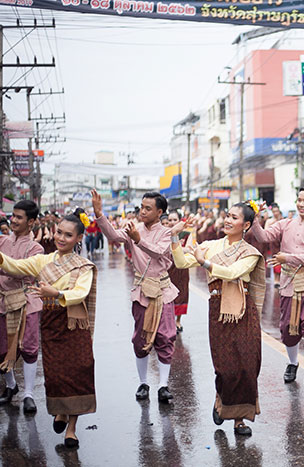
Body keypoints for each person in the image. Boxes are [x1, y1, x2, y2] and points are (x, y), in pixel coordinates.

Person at [0, 208, 97, 448]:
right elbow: (15, 267)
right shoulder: (44, 261)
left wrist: (56, 293)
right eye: (59, 233)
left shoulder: (83, 266)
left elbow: (80, 293)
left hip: (75, 324)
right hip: (51, 324)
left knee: (79, 371)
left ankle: (72, 429)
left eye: (68, 235)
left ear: (78, 239)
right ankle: (61, 412)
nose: (61, 238)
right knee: (55, 374)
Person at [171, 201, 265, 436]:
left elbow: (233, 273)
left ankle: (239, 419)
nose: (227, 220)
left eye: (234, 217)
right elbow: (182, 262)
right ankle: (220, 398)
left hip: (243, 312)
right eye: (227, 215)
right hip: (218, 311)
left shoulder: (250, 253)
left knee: (246, 365)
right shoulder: (211, 246)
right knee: (225, 366)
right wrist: (175, 236)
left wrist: (205, 262)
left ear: (246, 225)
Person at [91, 189, 179, 404]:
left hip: (163, 290)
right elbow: (112, 236)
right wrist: (99, 214)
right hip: (141, 290)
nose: (143, 211)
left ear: (160, 212)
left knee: (166, 336)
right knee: (140, 337)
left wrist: (138, 241)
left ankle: (163, 385)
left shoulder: (166, 233)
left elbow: (159, 253)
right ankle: (143, 382)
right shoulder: (134, 228)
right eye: (141, 207)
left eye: (148, 208)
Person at [249, 186, 304, 393]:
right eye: (299, 200)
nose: (301, 204)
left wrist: (287, 258)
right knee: (287, 327)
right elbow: (264, 237)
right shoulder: (285, 224)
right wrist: (255, 219)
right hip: (288, 283)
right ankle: (293, 363)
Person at [0, 200, 45, 414]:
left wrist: (4, 266)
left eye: (19, 217)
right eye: (13, 216)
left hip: (27, 301)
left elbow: (23, 271)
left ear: (31, 222)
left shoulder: (36, 248)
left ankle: (28, 394)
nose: (14, 220)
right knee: (1, 349)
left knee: (29, 348)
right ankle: (11, 386)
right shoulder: (2, 242)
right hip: (3, 302)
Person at [166, 211, 190, 333]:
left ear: (180, 220)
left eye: (175, 220)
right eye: (170, 220)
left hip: (181, 267)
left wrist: (176, 248)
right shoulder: (164, 235)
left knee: (182, 293)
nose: (172, 222)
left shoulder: (186, 234)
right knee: (167, 293)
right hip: (167, 267)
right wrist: (179, 248)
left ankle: (178, 321)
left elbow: (190, 249)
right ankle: (168, 320)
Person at [265, 203, 284, 288]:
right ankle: (276, 279)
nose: (275, 213)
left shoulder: (283, 220)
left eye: (277, 211)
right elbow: (265, 232)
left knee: (282, 260)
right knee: (275, 260)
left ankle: (280, 279)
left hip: (282, 243)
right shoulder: (269, 221)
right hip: (273, 243)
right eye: (274, 211)